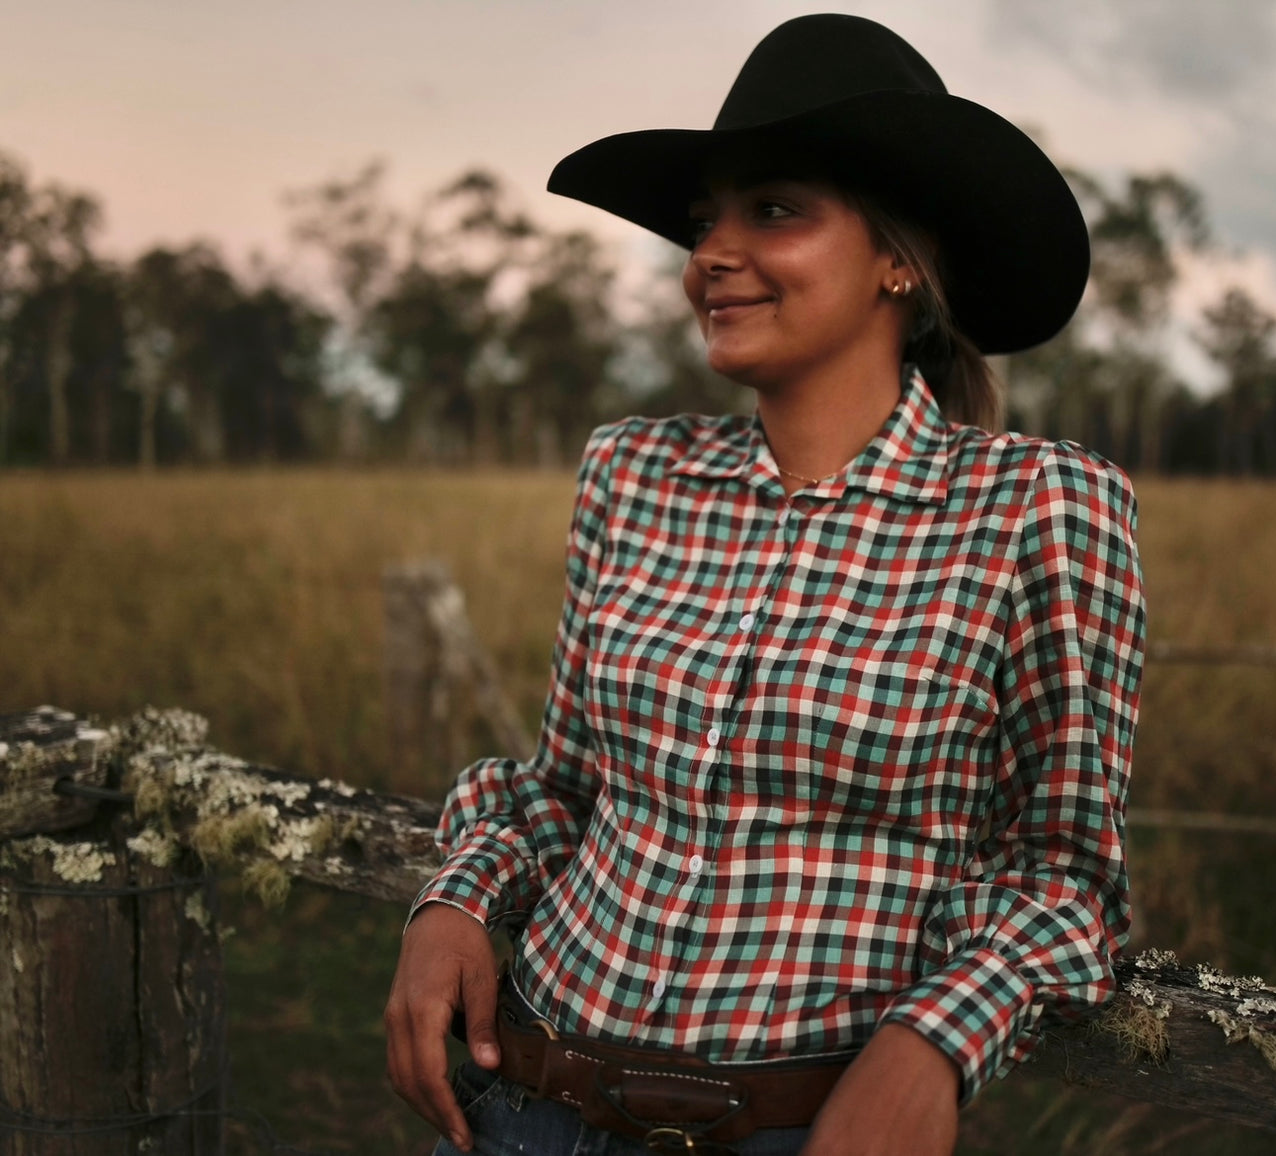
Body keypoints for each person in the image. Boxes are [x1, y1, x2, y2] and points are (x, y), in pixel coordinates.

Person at [386, 14, 1145, 1156]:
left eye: (773, 209)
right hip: (533, 1108)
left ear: (898, 257)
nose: (710, 255)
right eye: (703, 223)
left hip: (801, 1130)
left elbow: (1065, 874)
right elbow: (565, 791)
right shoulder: (632, 475)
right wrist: (453, 897)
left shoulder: (1037, 507)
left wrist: (931, 1041)